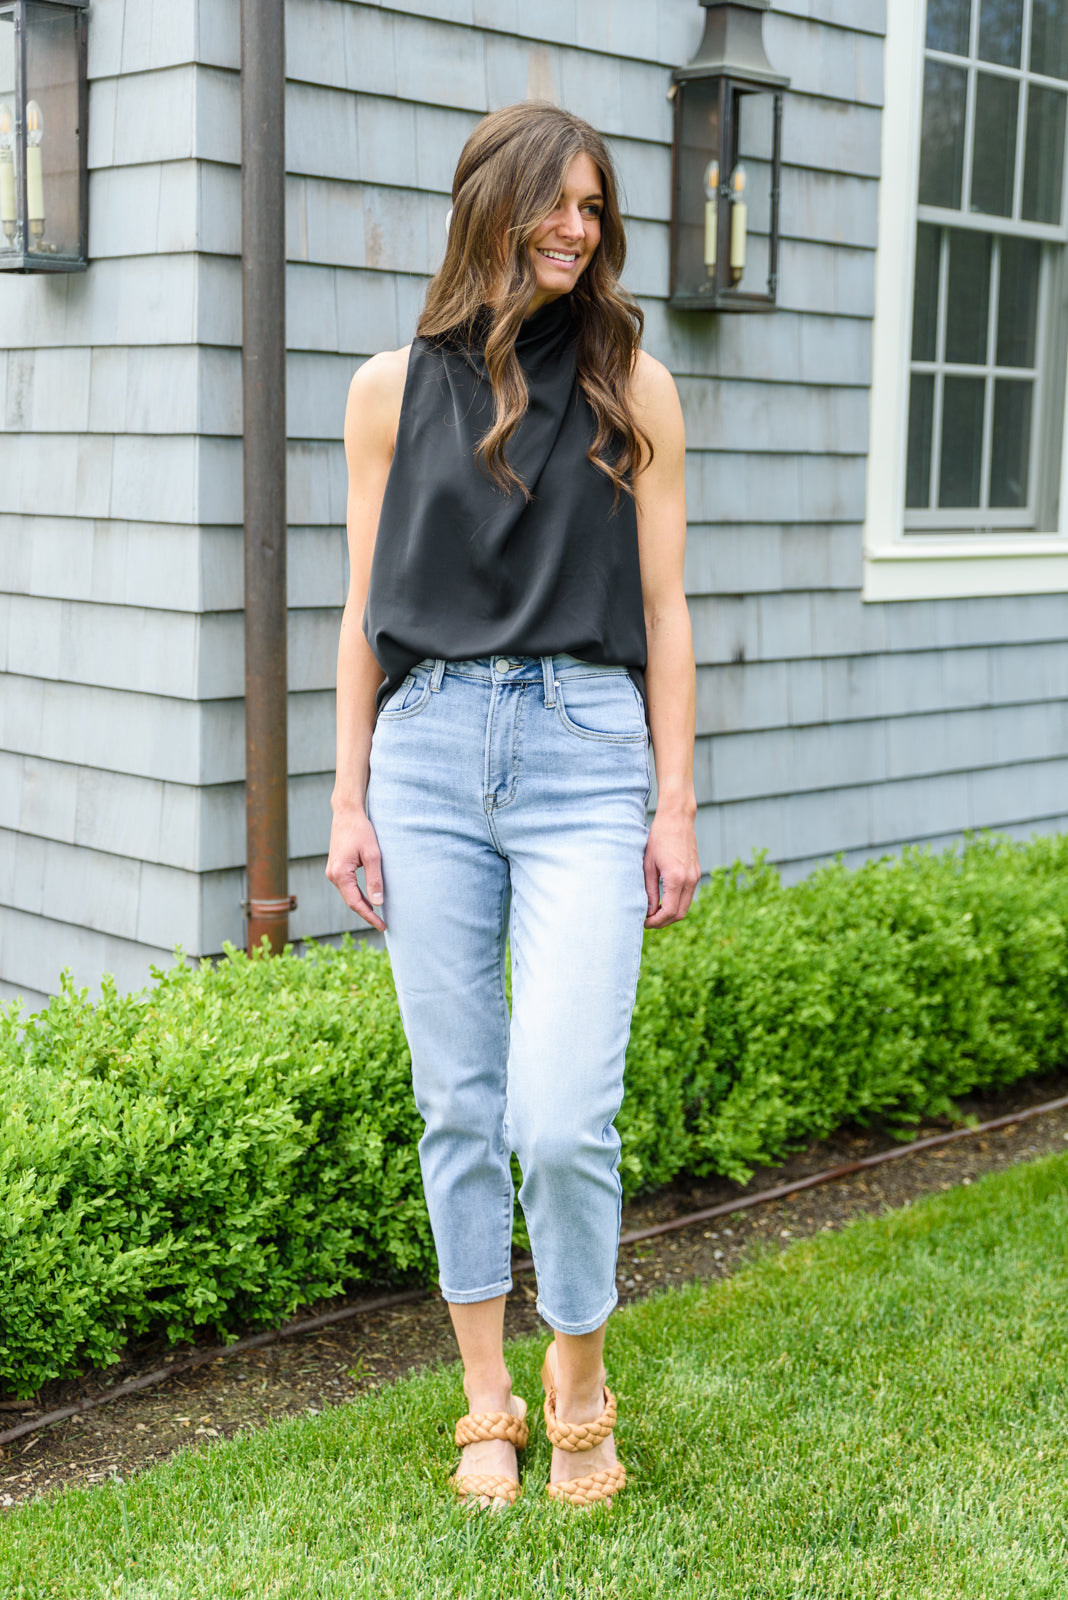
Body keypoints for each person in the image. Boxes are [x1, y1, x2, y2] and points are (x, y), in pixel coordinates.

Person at [327, 101, 700, 1510]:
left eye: (595, 209)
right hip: (425, 753)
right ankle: (487, 1400)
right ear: (491, 203)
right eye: (557, 202)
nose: (577, 229)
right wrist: (347, 795)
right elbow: (361, 610)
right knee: (460, 1105)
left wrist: (674, 804)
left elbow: (666, 610)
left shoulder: (633, 385)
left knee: (562, 1116)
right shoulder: (386, 391)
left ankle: (579, 1385)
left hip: (586, 753)